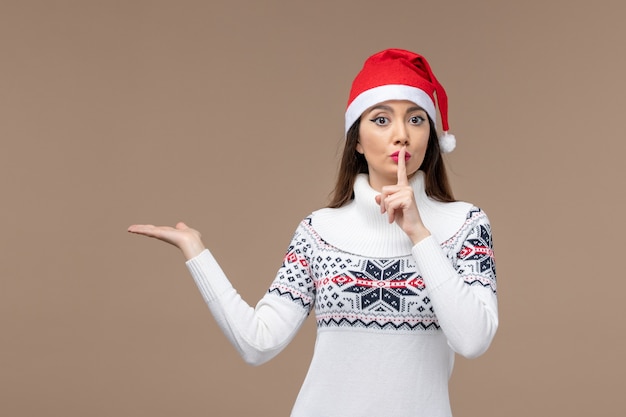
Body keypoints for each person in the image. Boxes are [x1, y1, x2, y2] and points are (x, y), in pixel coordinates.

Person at [128, 48, 498, 417]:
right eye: (381, 120)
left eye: (416, 119)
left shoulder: (465, 225)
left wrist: (419, 234)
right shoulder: (318, 232)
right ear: (356, 140)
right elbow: (258, 342)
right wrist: (196, 252)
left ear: (432, 135)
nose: (401, 135)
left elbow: (473, 340)